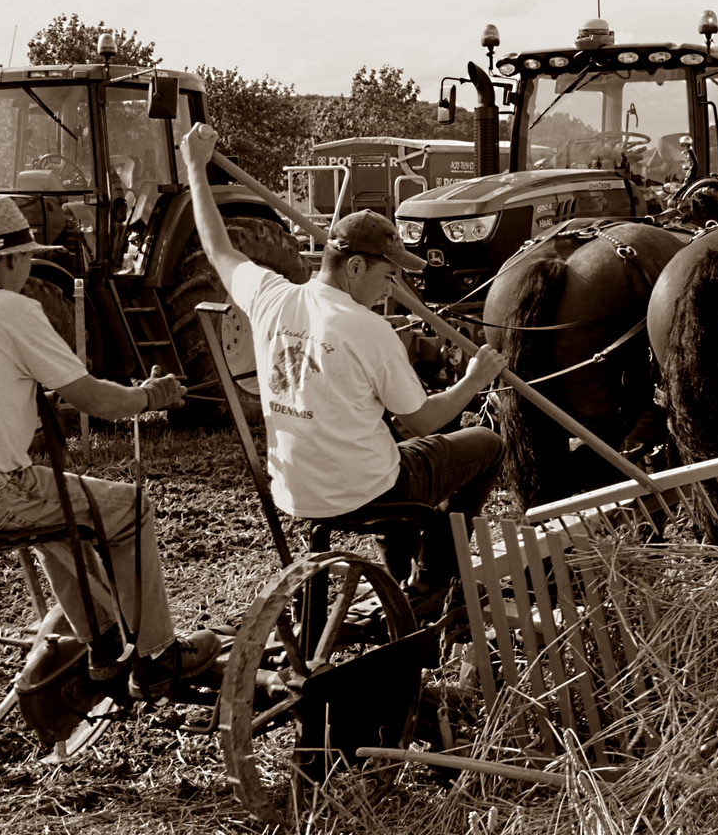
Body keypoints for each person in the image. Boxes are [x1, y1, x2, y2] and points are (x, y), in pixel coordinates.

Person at [0, 195, 217, 701]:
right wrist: (151, 395)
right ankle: (158, 655)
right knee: (130, 508)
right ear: (14, 259)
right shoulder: (13, 310)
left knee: (56, 517)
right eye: (27, 258)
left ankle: (104, 642)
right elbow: (89, 397)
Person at [179, 123, 507, 615]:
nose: (392, 285)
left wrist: (194, 170)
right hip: (364, 491)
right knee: (486, 446)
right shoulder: (366, 329)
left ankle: (399, 569)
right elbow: (422, 420)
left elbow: (219, 250)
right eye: (388, 273)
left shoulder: (271, 297)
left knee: (389, 445)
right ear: (355, 268)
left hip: (296, 490)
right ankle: (432, 580)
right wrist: (472, 381)